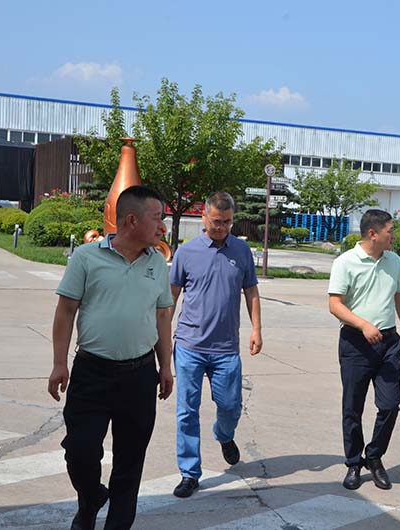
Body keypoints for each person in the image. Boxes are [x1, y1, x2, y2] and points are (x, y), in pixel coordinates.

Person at [48, 185, 174, 530]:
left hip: (140, 375)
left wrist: (165, 366)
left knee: (130, 464)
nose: (162, 226)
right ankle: (90, 497)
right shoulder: (87, 257)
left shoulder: (157, 263)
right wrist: (59, 362)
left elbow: (163, 316)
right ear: (132, 220)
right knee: (80, 451)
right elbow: (66, 310)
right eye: (157, 218)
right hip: (92, 372)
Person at [169, 192, 262, 498]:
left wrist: (257, 329)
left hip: (226, 349)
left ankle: (224, 435)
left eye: (227, 222)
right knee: (187, 411)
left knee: (230, 406)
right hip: (189, 345)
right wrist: (161, 334)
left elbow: (251, 291)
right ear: (204, 217)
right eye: (216, 221)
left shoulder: (241, 250)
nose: (221, 227)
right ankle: (189, 472)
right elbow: (171, 296)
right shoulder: (186, 252)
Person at [328, 209, 400, 491]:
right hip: (356, 343)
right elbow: (335, 304)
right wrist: (363, 325)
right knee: (352, 407)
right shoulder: (346, 262)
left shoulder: (394, 261)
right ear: (372, 234)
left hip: (388, 343)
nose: (394, 236)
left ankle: (374, 456)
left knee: (390, 404)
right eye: (390, 231)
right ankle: (354, 462)